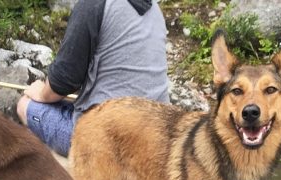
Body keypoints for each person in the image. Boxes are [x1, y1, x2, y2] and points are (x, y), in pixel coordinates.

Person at [16, 0, 170, 156]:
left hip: (113, 144)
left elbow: (62, 82)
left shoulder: (93, 5)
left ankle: (65, 172)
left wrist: (40, 93)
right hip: (158, 135)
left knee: (25, 105)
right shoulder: (154, 9)